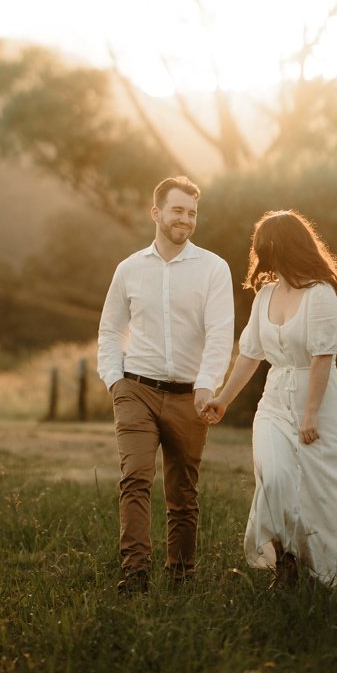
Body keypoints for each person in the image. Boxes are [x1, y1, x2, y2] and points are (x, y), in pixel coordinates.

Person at [203, 210, 337, 588]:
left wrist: (310, 413)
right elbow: (250, 353)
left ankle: (332, 568)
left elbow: (321, 357)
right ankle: (285, 559)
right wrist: (223, 399)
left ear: (282, 248)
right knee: (276, 475)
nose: (259, 256)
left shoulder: (322, 294)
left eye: (264, 248)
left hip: (317, 403)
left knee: (326, 490)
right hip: (273, 403)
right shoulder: (265, 295)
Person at [97, 176, 234, 594]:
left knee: (182, 493)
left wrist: (207, 385)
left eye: (192, 213)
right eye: (177, 210)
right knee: (135, 477)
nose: (186, 219)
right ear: (156, 213)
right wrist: (115, 382)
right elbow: (110, 330)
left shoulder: (213, 268)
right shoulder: (129, 269)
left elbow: (220, 333)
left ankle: (181, 577)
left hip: (191, 395)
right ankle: (135, 574)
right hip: (135, 388)